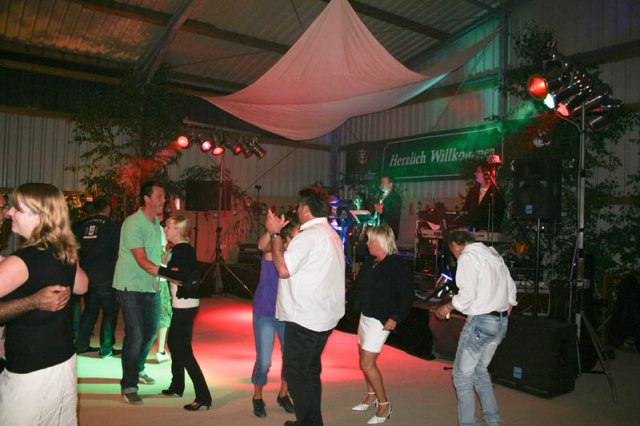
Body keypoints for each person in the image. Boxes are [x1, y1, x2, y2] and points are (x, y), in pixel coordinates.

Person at [0, 183, 88, 425]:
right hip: (63, 359)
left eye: (17, 208)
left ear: (40, 216)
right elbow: (82, 286)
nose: (9, 213)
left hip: (30, 369)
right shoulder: (62, 253)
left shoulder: (21, 261)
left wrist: (31, 301)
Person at [266, 186, 345, 426]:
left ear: (306, 209)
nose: (297, 210)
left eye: (299, 206)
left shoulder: (308, 236)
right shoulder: (330, 233)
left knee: (297, 375)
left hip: (305, 319)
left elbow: (283, 269)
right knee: (309, 372)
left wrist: (275, 234)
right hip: (321, 317)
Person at [434, 230, 517, 426]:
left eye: (452, 251)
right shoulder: (493, 254)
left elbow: (467, 295)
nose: (454, 255)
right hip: (500, 322)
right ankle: (493, 421)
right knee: (479, 371)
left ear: (456, 245)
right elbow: (512, 291)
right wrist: (500, 317)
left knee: (461, 377)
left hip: (481, 323)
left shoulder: (467, 256)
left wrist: (447, 307)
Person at [348, 224, 413, 424]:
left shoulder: (396, 265)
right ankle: (371, 396)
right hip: (366, 316)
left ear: (383, 242)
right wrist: (347, 299)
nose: (367, 243)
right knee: (363, 359)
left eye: (371, 240)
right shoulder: (371, 262)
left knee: (367, 363)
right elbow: (358, 286)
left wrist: (395, 317)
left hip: (381, 319)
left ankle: (385, 405)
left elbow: (406, 295)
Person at [113, 181, 165, 405]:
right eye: (160, 196)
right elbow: (141, 259)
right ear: (147, 198)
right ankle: (129, 385)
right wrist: (166, 273)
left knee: (151, 332)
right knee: (135, 335)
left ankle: (138, 367)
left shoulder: (156, 223)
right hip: (130, 286)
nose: (164, 200)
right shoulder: (133, 223)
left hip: (150, 285)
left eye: (164, 196)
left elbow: (155, 255)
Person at [153, 214, 212, 411]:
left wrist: (158, 269)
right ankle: (177, 385)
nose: (165, 229)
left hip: (185, 305)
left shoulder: (182, 250)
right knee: (174, 344)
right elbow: (178, 274)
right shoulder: (179, 249)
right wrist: (165, 264)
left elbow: (181, 277)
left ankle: (203, 396)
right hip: (183, 304)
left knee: (183, 350)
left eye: (168, 227)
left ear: (178, 230)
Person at [251, 213, 299, 418]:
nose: (299, 239)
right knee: (264, 362)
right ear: (285, 238)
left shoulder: (297, 257)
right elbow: (262, 246)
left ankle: (283, 394)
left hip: (288, 315)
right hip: (265, 313)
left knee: (290, 359)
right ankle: (257, 397)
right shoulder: (273, 253)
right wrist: (272, 231)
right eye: (295, 235)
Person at [74, 197, 121, 358]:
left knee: (89, 311)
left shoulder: (81, 226)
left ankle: (81, 345)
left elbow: (75, 250)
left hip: (87, 277)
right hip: (106, 276)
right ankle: (106, 348)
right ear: (108, 208)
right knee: (110, 312)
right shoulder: (111, 226)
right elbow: (117, 251)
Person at [154, 201, 174, 364]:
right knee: (164, 314)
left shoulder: (140, 227)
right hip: (158, 278)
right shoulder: (158, 230)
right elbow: (161, 258)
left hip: (143, 278)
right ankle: (160, 350)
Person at [461, 162, 505, 232]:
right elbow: (466, 209)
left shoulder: (496, 191)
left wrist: (487, 230)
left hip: (489, 231)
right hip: (473, 229)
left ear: (486, 174)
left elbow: (498, 215)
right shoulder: (473, 191)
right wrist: (467, 229)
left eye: (478, 171)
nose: (475, 174)